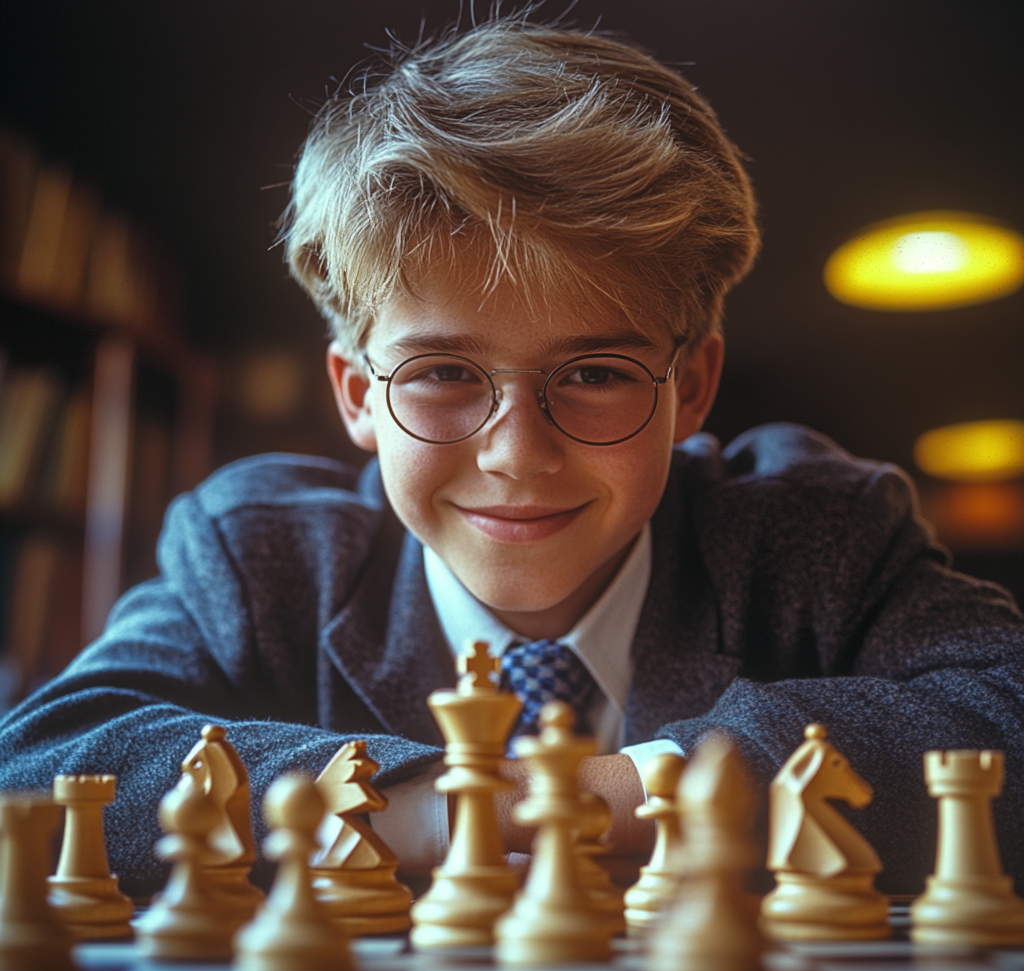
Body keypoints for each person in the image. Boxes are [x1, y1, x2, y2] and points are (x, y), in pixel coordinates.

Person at [1, 14, 1021, 898]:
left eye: (595, 375)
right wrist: (450, 812)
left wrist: (619, 792)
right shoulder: (258, 554)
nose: (518, 455)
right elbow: (35, 764)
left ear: (691, 390)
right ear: (358, 395)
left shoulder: (816, 533)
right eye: (442, 373)